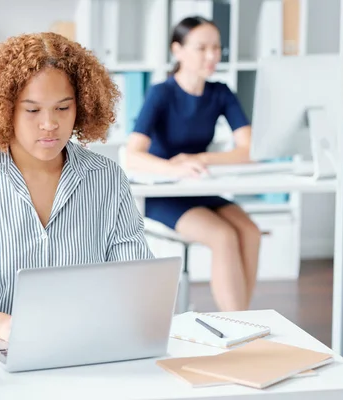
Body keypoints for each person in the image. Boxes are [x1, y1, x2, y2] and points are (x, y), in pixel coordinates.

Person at [0, 32, 153, 342]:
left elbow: (137, 280)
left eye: (63, 108)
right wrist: (3, 327)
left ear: (80, 107)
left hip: (88, 347)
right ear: (4, 110)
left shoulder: (107, 178)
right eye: (32, 110)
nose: (50, 124)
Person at [125, 16, 260, 312]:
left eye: (216, 48)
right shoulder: (162, 93)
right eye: (202, 48)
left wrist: (200, 159)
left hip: (200, 187)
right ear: (178, 50)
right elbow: (132, 154)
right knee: (223, 236)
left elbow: (248, 149)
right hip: (165, 194)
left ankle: (244, 320)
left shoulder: (220, 92)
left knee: (249, 232)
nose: (212, 56)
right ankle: (238, 324)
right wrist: (174, 168)